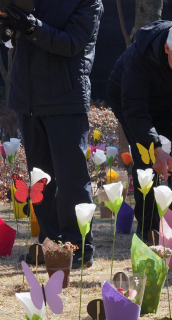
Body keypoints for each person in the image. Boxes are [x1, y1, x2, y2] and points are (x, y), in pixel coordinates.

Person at [2, 0, 103, 269]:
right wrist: (8, 25)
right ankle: (50, 243)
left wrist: (32, 26)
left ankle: (79, 245)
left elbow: (71, 43)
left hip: (65, 98)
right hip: (28, 98)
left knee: (71, 177)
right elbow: (15, 37)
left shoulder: (88, 2)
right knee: (40, 179)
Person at [108, 19, 172, 243]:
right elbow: (135, 110)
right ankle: (147, 227)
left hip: (170, 104)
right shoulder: (140, 58)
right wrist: (154, 146)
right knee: (146, 160)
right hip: (131, 102)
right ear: (167, 49)